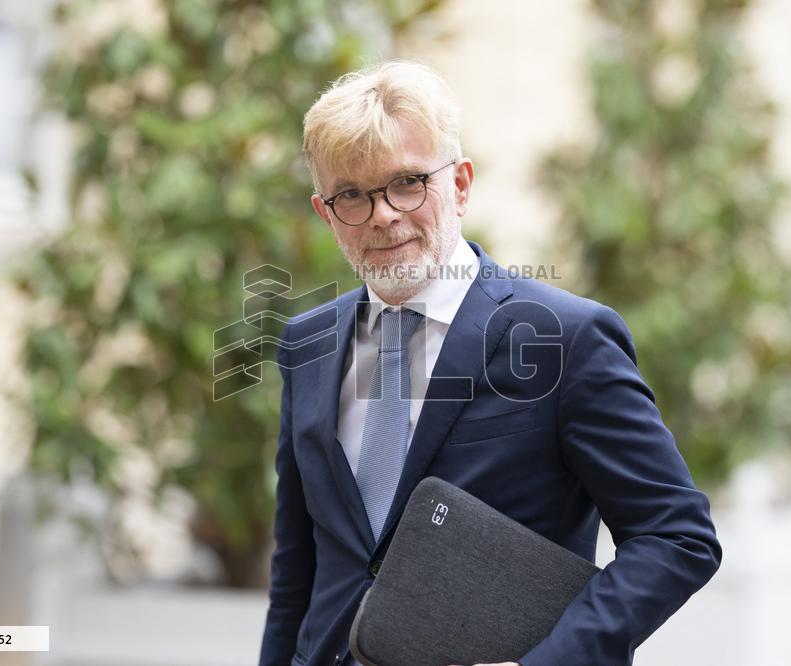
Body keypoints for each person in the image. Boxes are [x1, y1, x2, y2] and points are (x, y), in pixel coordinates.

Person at [258, 60, 721, 666]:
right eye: (352, 195)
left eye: (408, 182)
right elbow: (299, 566)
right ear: (325, 212)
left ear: (461, 185)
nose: (384, 214)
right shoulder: (306, 343)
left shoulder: (565, 338)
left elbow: (676, 536)